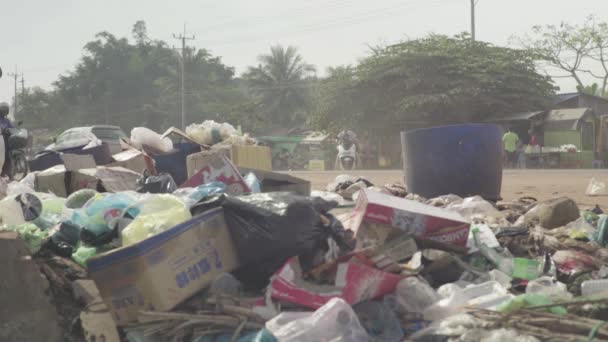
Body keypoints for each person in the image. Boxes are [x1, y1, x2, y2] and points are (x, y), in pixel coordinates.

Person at [0, 102, 13, 176]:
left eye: (5, 110)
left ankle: (8, 172)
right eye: (3, 110)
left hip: (7, 140)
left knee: (8, 156)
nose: (4, 112)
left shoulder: (6, 120)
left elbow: (11, 127)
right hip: (1, 140)